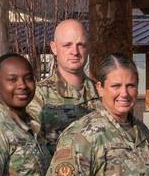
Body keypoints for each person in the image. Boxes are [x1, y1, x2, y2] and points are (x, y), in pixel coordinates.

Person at [29, 18, 98, 150]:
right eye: (67, 45)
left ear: (88, 47)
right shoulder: (38, 95)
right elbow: (30, 146)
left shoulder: (103, 93)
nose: (75, 52)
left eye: (81, 45)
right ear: (54, 48)